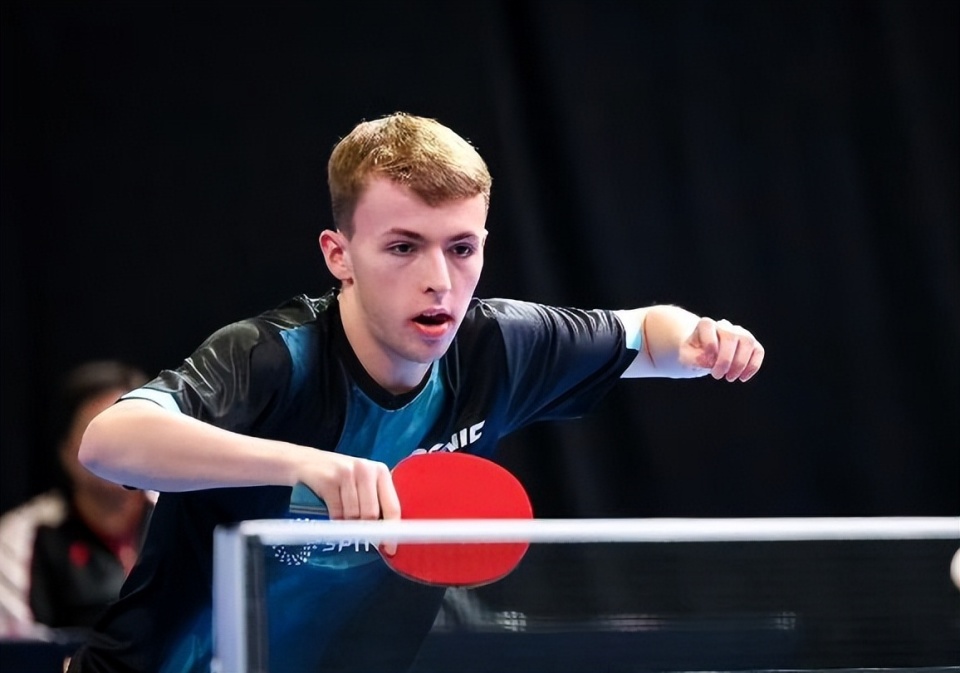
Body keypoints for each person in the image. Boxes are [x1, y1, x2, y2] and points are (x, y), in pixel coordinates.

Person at [67, 112, 764, 673]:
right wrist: (302, 465)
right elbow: (108, 442)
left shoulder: (497, 348)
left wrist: (700, 341)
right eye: (404, 247)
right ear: (339, 254)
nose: (439, 280)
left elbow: (645, 332)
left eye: (461, 248)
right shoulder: (275, 357)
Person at [0, 361, 152, 637]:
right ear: (66, 450)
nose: (117, 448)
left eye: (130, 432)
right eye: (98, 433)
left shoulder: (187, 516)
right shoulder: (21, 536)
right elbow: (18, 647)